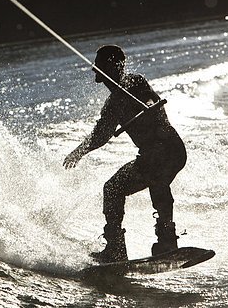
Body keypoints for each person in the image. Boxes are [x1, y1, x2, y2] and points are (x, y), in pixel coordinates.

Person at [63, 45, 187, 263]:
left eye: (101, 65)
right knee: (124, 187)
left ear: (116, 66)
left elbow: (148, 98)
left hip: (168, 149)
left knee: (147, 181)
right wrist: (79, 151)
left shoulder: (135, 82)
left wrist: (148, 104)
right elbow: (101, 135)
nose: (96, 70)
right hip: (159, 154)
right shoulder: (112, 105)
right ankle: (128, 245)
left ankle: (152, 242)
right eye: (97, 66)